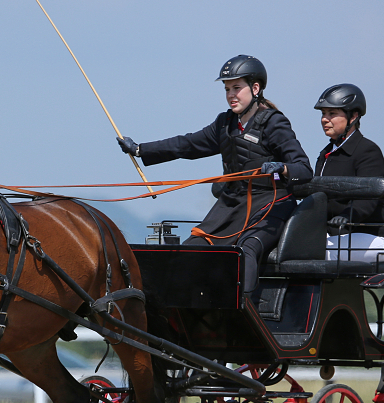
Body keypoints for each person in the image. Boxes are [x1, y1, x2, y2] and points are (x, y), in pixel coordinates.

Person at [118, 55, 312, 293]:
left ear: (256, 88)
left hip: (270, 205)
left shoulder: (274, 123)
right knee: (193, 247)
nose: (231, 94)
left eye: (237, 88)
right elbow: (186, 144)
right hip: (231, 205)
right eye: (227, 88)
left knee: (246, 249)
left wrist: (282, 168)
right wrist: (140, 149)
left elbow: (304, 168)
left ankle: (243, 316)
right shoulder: (224, 123)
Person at [313, 83, 384, 261]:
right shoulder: (325, 154)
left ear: (353, 116)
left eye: (332, 114)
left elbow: (368, 200)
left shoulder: (367, 151)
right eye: (323, 114)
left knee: (311, 252)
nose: (325, 119)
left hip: (368, 234)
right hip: (335, 236)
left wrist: (345, 216)